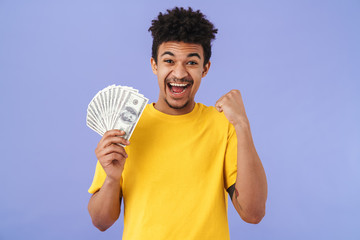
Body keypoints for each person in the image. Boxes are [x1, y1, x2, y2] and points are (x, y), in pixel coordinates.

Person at [87, 7, 267, 240]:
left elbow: (253, 213)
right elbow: (101, 222)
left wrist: (242, 125)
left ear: (205, 68)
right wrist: (111, 178)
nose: (179, 73)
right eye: (169, 60)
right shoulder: (126, 126)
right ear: (154, 65)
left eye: (191, 62)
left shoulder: (223, 125)